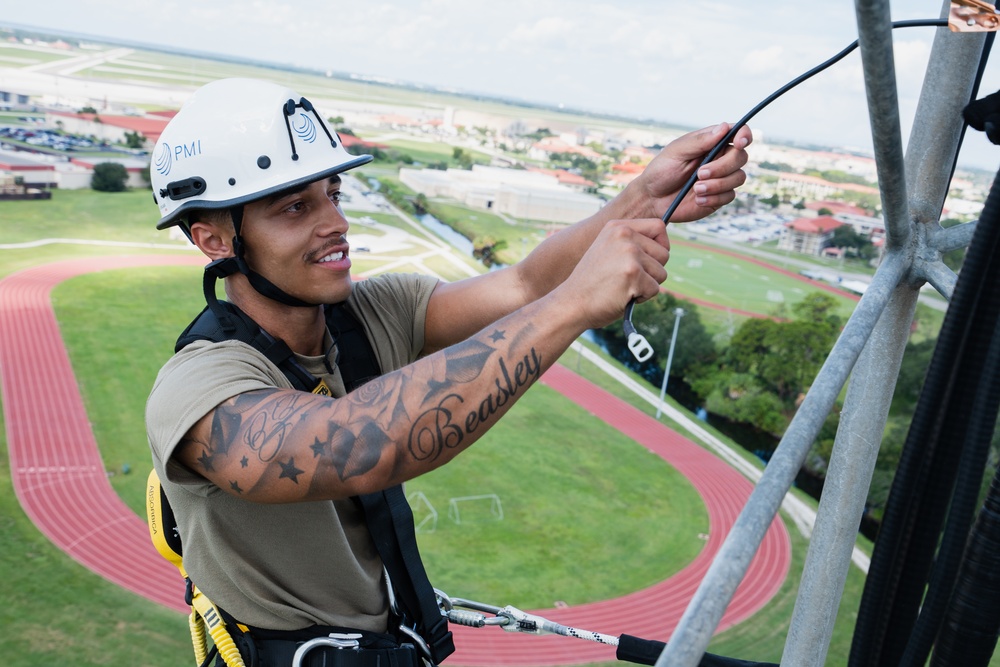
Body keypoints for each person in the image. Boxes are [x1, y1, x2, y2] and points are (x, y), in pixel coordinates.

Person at [145, 77, 751, 667]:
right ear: (214, 240)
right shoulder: (198, 386)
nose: (336, 222)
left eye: (334, 194)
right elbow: (355, 446)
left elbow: (525, 285)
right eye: (296, 207)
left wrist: (643, 199)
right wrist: (575, 305)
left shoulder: (371, 313)